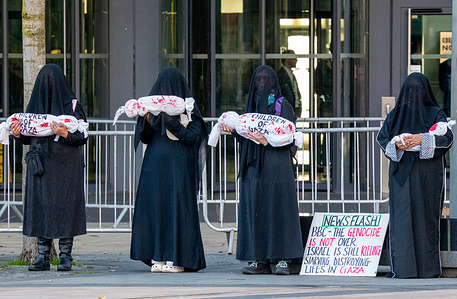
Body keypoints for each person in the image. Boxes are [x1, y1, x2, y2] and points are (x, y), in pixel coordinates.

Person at [221, 65, 303, 275]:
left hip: (277, 168)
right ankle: (260, 259)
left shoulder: (282, 106)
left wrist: (268, 141)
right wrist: (233, 131)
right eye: (258, 80)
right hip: (254, 168)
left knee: (279, 211)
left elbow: (290, 139)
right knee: (257, 211)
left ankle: (283, 259)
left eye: (267, 79)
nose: (262, 83)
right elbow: (246, 136)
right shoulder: (251, 107)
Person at [10, 63, 88, 271]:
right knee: (41, 207)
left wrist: (66, 134)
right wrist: (17, 134)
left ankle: (65, 256)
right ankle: (43, 256)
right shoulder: (34, 109)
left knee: (66, 207)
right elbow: (27, 138)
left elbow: (83, 136)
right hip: (41, 166)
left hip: (66, 167)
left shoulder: (72, 107)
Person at [377, 72, 454, 278]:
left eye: (417, 90)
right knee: (402, 220)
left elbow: (447, 138)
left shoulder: (435, 113)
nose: (413, 95)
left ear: (425, 91)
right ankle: (403, 269)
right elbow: (382, 138)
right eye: (409, 91)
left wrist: (422, 139)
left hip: (428, 177)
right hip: (402, 176)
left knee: (426, 219)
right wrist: (397, 144)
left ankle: (427, 269)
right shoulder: (396, 115)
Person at [130, 66, 207, 273]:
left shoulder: (189, 109)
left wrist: (172, 122)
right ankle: (159, 255)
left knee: (177, 207)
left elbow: (192, 137)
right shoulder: (151, 109)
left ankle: (178, 258)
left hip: (178, 167)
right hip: (154, 166)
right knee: (156, 207)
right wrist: (148, 120)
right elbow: (144, 138)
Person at [277, 49, 302, 117]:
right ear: (287, 59)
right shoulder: (280, 75)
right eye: (294, 58)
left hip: (294, 108)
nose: (296, 60)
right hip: (287, 109)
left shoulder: (291, 74)